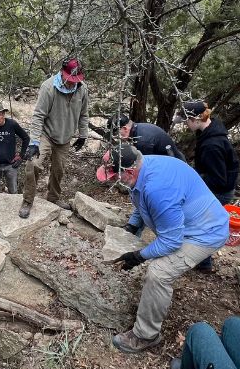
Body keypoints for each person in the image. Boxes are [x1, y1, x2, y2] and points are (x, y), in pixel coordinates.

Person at [98, 143, 229, 353]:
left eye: (115, 175)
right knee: (160, 259)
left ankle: (145, 335)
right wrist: (132, 224)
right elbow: (141, 199)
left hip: (205, 233)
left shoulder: (158, 187)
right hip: (188, 223)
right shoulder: (143, 166)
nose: (113, 179)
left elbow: (172, 241)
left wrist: (138, 256)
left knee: (159, 273)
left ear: (129, 171)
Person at [20, 57, 90, 218]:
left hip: (65, 137)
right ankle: (28, 200)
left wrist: (83, 134)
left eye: (75, 80)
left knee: (59, 169)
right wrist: (34, 142)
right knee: (33, 164)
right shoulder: (48, 87)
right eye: (70, 79)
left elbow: (84, 114)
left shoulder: (82, 89)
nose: (72, 82)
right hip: (46, 134)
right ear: (61, 72)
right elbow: (38, 116)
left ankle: (53, 198)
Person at [175, 101, 239, 205]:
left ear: (196, 120)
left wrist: (192, 179)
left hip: (220, 193)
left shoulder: (211, 146)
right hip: (216, 182)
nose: (186, 125)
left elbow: (218, 181)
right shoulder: (210, 128)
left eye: (186, 121)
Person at [109, 113, 185, 160]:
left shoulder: (142, 141)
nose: (116, 137)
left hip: (176, 166)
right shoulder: (139, 129)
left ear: (125, 129)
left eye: (116, 133)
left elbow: (146, 166)